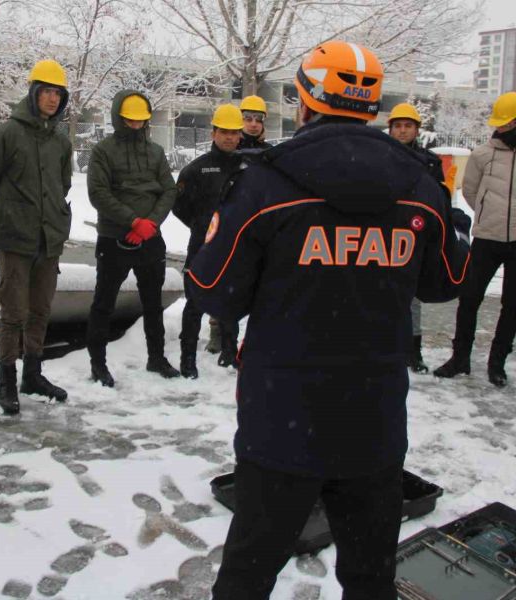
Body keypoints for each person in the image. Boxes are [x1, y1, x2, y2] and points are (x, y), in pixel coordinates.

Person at [187, 41, 471, 598]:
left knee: (246, 576)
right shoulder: (419, 186)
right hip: (373, 423)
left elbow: (212, 292)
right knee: (369, 580)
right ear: (371, 106)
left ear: (304, 100)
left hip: (282, 423)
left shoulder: (265, 183)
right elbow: (446, 283)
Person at [0, 59, 72, 414]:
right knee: (13, 311)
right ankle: (6, 378)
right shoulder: (7, 133)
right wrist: (13, 211)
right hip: (16, 239)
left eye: (58, 94)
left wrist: (54, 220)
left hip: (49, 240)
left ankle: (32, 374)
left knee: (40, 310)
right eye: (46, 92)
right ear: (33, 93)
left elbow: (61, 184)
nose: (52, 99)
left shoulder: (60, 142)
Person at [86, 90, 180, 386]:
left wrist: (151, 222)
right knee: (104, 303)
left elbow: (169, 189)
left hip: (150, 238)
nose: (136, 126)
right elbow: (98, 193)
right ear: (119, 118)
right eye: (130, 120)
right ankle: (98, 364)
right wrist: (132, 220)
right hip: (115, 237)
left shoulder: (155, 152)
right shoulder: (103, 151)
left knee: (153, 303)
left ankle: (157, 357)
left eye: (141, 121)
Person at [435, 91, 516, 388]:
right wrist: (486, 212)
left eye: (508, 124)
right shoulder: (483, 154)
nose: (503, 129)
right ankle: (460, 359)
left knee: (512, 305)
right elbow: (470, 191)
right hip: (486, 239)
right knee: (469, 299)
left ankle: (497, 363)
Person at [173, 104, 244, 378]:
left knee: (231, 304)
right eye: (224, 131)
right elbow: (178, 206)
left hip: (235, 249)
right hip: (202, 248)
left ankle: (229, 354)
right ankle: (187, 361)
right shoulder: (196, 170)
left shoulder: (247, 168)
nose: (229, 137)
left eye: (234, 132)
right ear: (213, 132)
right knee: (195, 304)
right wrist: (202, 227)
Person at [388, 102, 449, 374]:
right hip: (385, 233)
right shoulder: (379, 157)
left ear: (417, 130)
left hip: (416, 234)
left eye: (408, 126)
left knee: (412, 297)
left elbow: (441, 199)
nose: (402, 131)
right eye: (398, 126)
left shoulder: (429, 162)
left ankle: (414, 350)